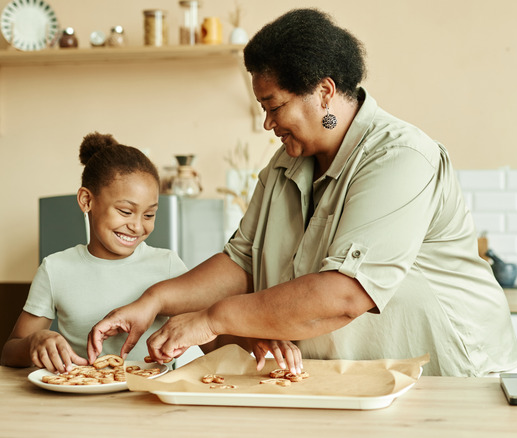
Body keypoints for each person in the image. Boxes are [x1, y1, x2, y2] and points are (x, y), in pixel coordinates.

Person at [88, 8, 517, 377]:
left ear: (324, 93)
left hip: (452, 376)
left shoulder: (401, 158)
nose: (267, 124)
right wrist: (153, 300)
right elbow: (240, 262)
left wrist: (211, 320)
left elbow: (346, 294)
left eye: (274, 107)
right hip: (356, 378)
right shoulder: (284, 165)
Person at [0, 132, 299, 374]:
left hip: (153, 402)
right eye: (126, 211)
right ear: (86, 200)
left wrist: (255, 337)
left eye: (149, 215)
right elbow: (10, 350)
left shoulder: (166, 265)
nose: (136, 226)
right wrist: (34, 342)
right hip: (83, 404)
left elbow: (212, 341)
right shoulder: (55, 269)